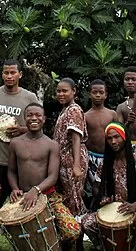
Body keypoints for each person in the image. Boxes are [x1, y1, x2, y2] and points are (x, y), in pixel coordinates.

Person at [8, 103, 81, 251]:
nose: (34, 118)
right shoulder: (15, 143)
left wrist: (36, 190)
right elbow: (12, 171)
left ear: (44, 119)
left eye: (38, 115)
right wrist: (14, 189)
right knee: (3, 221)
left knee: (72, 230)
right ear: (24, 119)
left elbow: (53, 176)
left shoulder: (51, 144)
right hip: (22, 195)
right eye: (30, 115)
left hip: (48, 195)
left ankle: (63, 250)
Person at [82, 122, 136, 251]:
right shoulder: (105, 163)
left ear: (124, 137)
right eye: (109, 138)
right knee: (87, 222)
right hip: (113, 210)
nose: (113, 141)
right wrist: (103, 198)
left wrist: (135, 206)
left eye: (116, 137)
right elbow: (95, 186)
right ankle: (107, 249)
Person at [0, 59, 39, 210]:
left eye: (13, 73)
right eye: (6, 73)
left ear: (20, 75)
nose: (9, 76)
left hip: (21, 160)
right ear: (2, 75)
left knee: (20, 205)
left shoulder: (30, 97)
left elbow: (38, 125)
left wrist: (21, 130)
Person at [53, 78, 88, 217]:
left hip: (72, 158)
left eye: (65, 91)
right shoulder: (65, 110)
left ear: (73, 92)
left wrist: (76, 165)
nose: (61, 94)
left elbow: (76, 137)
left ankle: (77, 227)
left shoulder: (74, 110)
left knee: (74, 196)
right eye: (58, 91)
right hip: (64, 159)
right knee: (68, 196)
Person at [84, 79, 117, 210]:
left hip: (109, 156)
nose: (98, 95)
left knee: (110, 184)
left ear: (106, 95)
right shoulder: (85, 115)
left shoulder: (112, 114)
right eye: (94, 92)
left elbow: (119, 135)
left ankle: (112, 210)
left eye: (101, 92)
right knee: (94, 187)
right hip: (91, 157)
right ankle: (96, 210)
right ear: (89, 94)